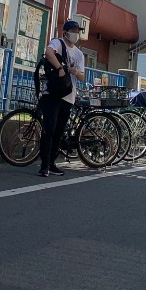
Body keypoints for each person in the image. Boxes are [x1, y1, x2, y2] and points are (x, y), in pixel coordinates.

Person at [38, 19, 86, 178]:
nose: (76, 34)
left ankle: (51, 163)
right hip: (53, 93)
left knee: (58, 131)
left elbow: (82, 76)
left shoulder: (79, 54)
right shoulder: (58, 43)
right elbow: (48, 52)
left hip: (68, 96)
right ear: (66, 32)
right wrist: (60, 67)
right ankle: (44, 165)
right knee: (49, 129)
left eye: (78, 31)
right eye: (73, 31)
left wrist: (74, 72)